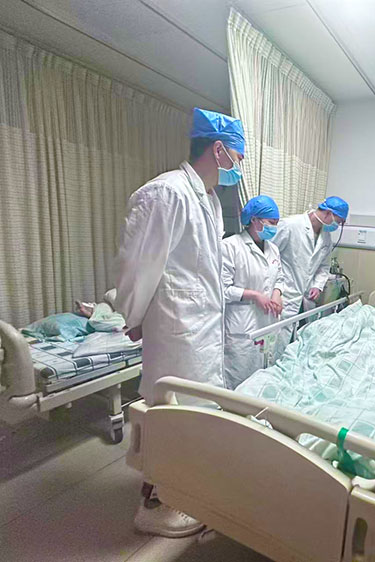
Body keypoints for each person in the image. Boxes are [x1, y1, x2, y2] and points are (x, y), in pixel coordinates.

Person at [115, 107, 245, 538]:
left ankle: (178, 492)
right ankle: (153, 505)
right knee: (169, 420)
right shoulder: (166, 193)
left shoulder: (209, 200)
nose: (239, 166)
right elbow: (139, 266)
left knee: (191, 422)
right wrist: (133, 316)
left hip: (200, 332)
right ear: (218, 150)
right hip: (177, 331)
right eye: (238, 157)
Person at [221, 195, 284, 389]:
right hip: (242, 325)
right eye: (271, 222)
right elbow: (222, 289)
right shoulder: (230, 246)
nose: (274, 227)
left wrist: (277, 294)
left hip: (268, 323)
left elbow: (280, 278)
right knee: (240, 378)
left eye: (276, 223)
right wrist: (254, 295)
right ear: (254, 220)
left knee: (263, 376)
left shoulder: (273, 249)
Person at [273, 196, 349, 348]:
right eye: (338, 221)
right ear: (328, 213)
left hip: (305, 297)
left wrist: (317, 286)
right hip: (283, 293)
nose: (337, 226)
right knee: (276, 342)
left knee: (295, 341)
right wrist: (275, 289)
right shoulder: (290, 225)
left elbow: (324, 266)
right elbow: (270, 256)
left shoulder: (326, 238)